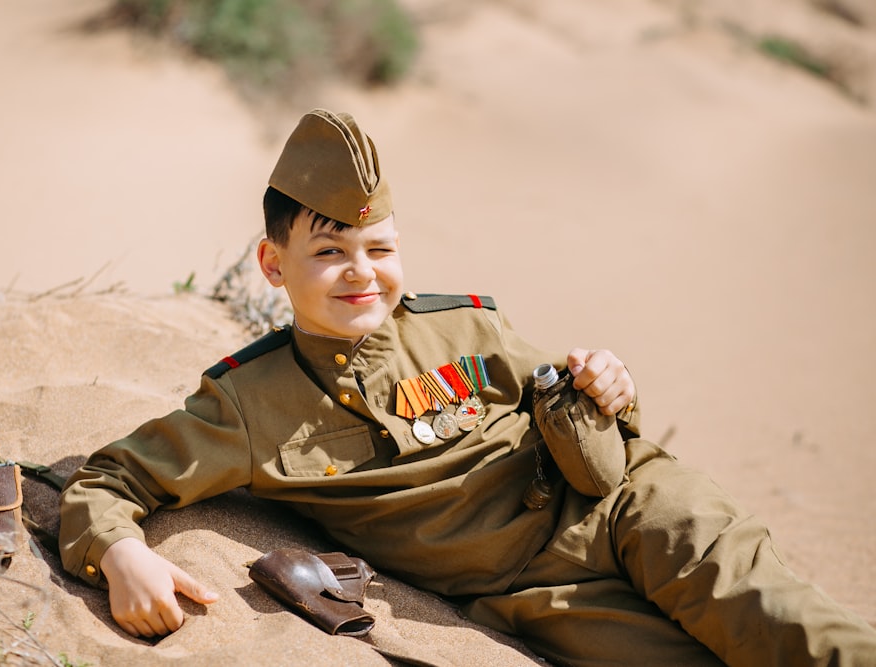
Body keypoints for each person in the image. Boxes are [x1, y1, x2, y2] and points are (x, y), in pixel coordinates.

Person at [59, 108, 876, 665]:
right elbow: (110, 478)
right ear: (274, 264)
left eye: (379, 248)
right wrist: (122, 553)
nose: (361, 273)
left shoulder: (469, 325)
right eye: (330, 250)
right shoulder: (249, 404)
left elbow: (593, 424)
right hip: (534, 589)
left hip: (629, 506)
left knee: (782, 625)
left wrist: (611, 386)